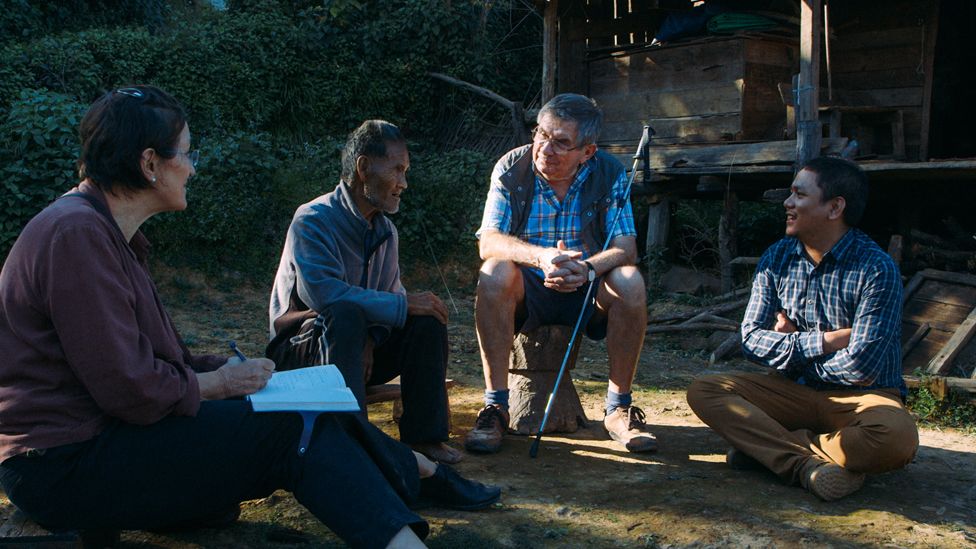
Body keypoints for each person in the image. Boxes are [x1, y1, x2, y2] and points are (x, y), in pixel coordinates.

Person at [0, 86, 499, 549]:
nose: (193, 168)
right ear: (150, 162)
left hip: (96, 442)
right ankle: (411, 504)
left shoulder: (109, 236)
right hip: (61, 463)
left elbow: (151, 360)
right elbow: (129, 389)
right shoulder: (77, 236)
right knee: (292, 430)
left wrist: (231, 371)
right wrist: (218, 384)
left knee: (296, 415)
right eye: (187, 152)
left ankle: (415, 471)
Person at [686, 157, 919, 501]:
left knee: (895, 439)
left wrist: (790, 343)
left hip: (862, 399)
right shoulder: (777, 258)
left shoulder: (876, 269)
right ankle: (806, 466)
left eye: (799, 194)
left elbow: (861, 367)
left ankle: (769, 450)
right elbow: (750, 340)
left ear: (834, 207)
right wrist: (827, 341)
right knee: (705, 390)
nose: (787, 203)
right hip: (790, 390)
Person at [465, 93, 656, 454]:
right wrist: (542, 258)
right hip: (528, 285)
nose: (545, 148)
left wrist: (586, 269)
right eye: (541, 134)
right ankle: (495, 406)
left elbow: (626, 247)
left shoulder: (610, 172)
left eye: (561, 142)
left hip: (588, 285)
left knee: (630, 281)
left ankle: (619, 408)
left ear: (587, 151)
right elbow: (488, 241)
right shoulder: (511, 167)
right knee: (493, 272)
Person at [267, 120, 460, 464]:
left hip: (356, 345)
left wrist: (370, 338)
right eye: (398, 170)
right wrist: (388, 315)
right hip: (302, 351)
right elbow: (324, 296)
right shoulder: (312, 219)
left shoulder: (386, 231)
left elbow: (389, 295)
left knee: (425, 319)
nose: (403, 183)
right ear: (364, 167)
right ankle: (352, 442)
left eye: (405, 172)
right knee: (346, 314)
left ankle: (425, 438)